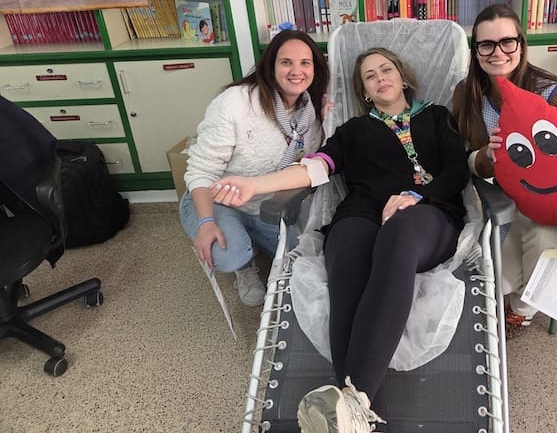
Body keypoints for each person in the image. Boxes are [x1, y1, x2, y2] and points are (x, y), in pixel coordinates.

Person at [212, 47, 469, 432]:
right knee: (346, 265)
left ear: (402, 76)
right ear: (364, 91)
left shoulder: (438, 117)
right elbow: (315, 169)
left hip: (427, 214)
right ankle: (357, 417)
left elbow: (457, 171)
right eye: (369, 75)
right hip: (361, 214)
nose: (380, 77)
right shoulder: (353, 131)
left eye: (387, 69)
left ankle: (353, 397)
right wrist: (255, 185)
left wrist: (418, 197)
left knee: (398, 231)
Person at [452, 3, 557, 337]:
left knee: (544, 242)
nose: (498, 53)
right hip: (497, 198)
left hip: (552, 206)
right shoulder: (466, 95)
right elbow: (462, 157)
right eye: (486, 44)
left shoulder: (552, 95)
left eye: (507, 42)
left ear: (521, 45)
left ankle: (523, 311)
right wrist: (486, 156)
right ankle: (524, 293)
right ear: (475, 50)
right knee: (497, 274)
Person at [179, 29, 328, 307]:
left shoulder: (314, 112)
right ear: (270, 66)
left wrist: (330, 121)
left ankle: (254, 237)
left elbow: (318, 165)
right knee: (230, 253)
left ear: (315, 69)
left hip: (270, 206)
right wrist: (206, 222)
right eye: (286, 62)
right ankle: (244, 266)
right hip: (220, 200)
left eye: (305, 63)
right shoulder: (236, 102)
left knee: (308, 261)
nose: (297, 71)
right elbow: (200, 170)